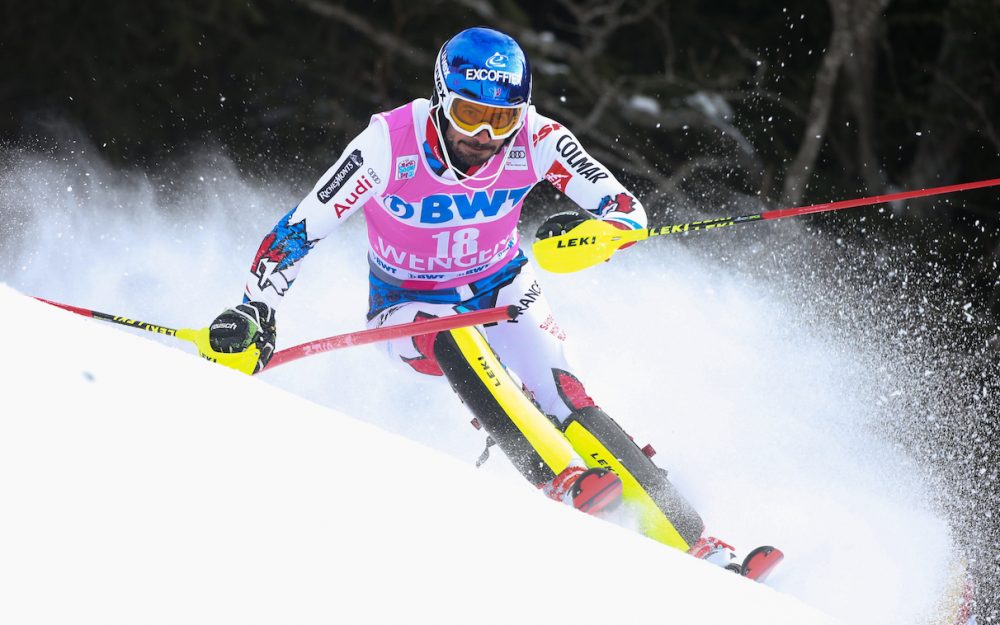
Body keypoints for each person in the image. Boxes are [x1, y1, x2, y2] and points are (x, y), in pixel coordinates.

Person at [208, 26, 747, 574]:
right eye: (469, 114)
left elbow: (625, 208)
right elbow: (303, 228)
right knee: (452, 333)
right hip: (407, 304)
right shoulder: (387, 144)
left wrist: (602, 234)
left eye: (504, 118)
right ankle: (555, 478)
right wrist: (256, 306)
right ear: (442, 98)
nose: (486, 135)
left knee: (565, 397)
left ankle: (695, 541)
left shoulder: (538, 139)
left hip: (503, 285)